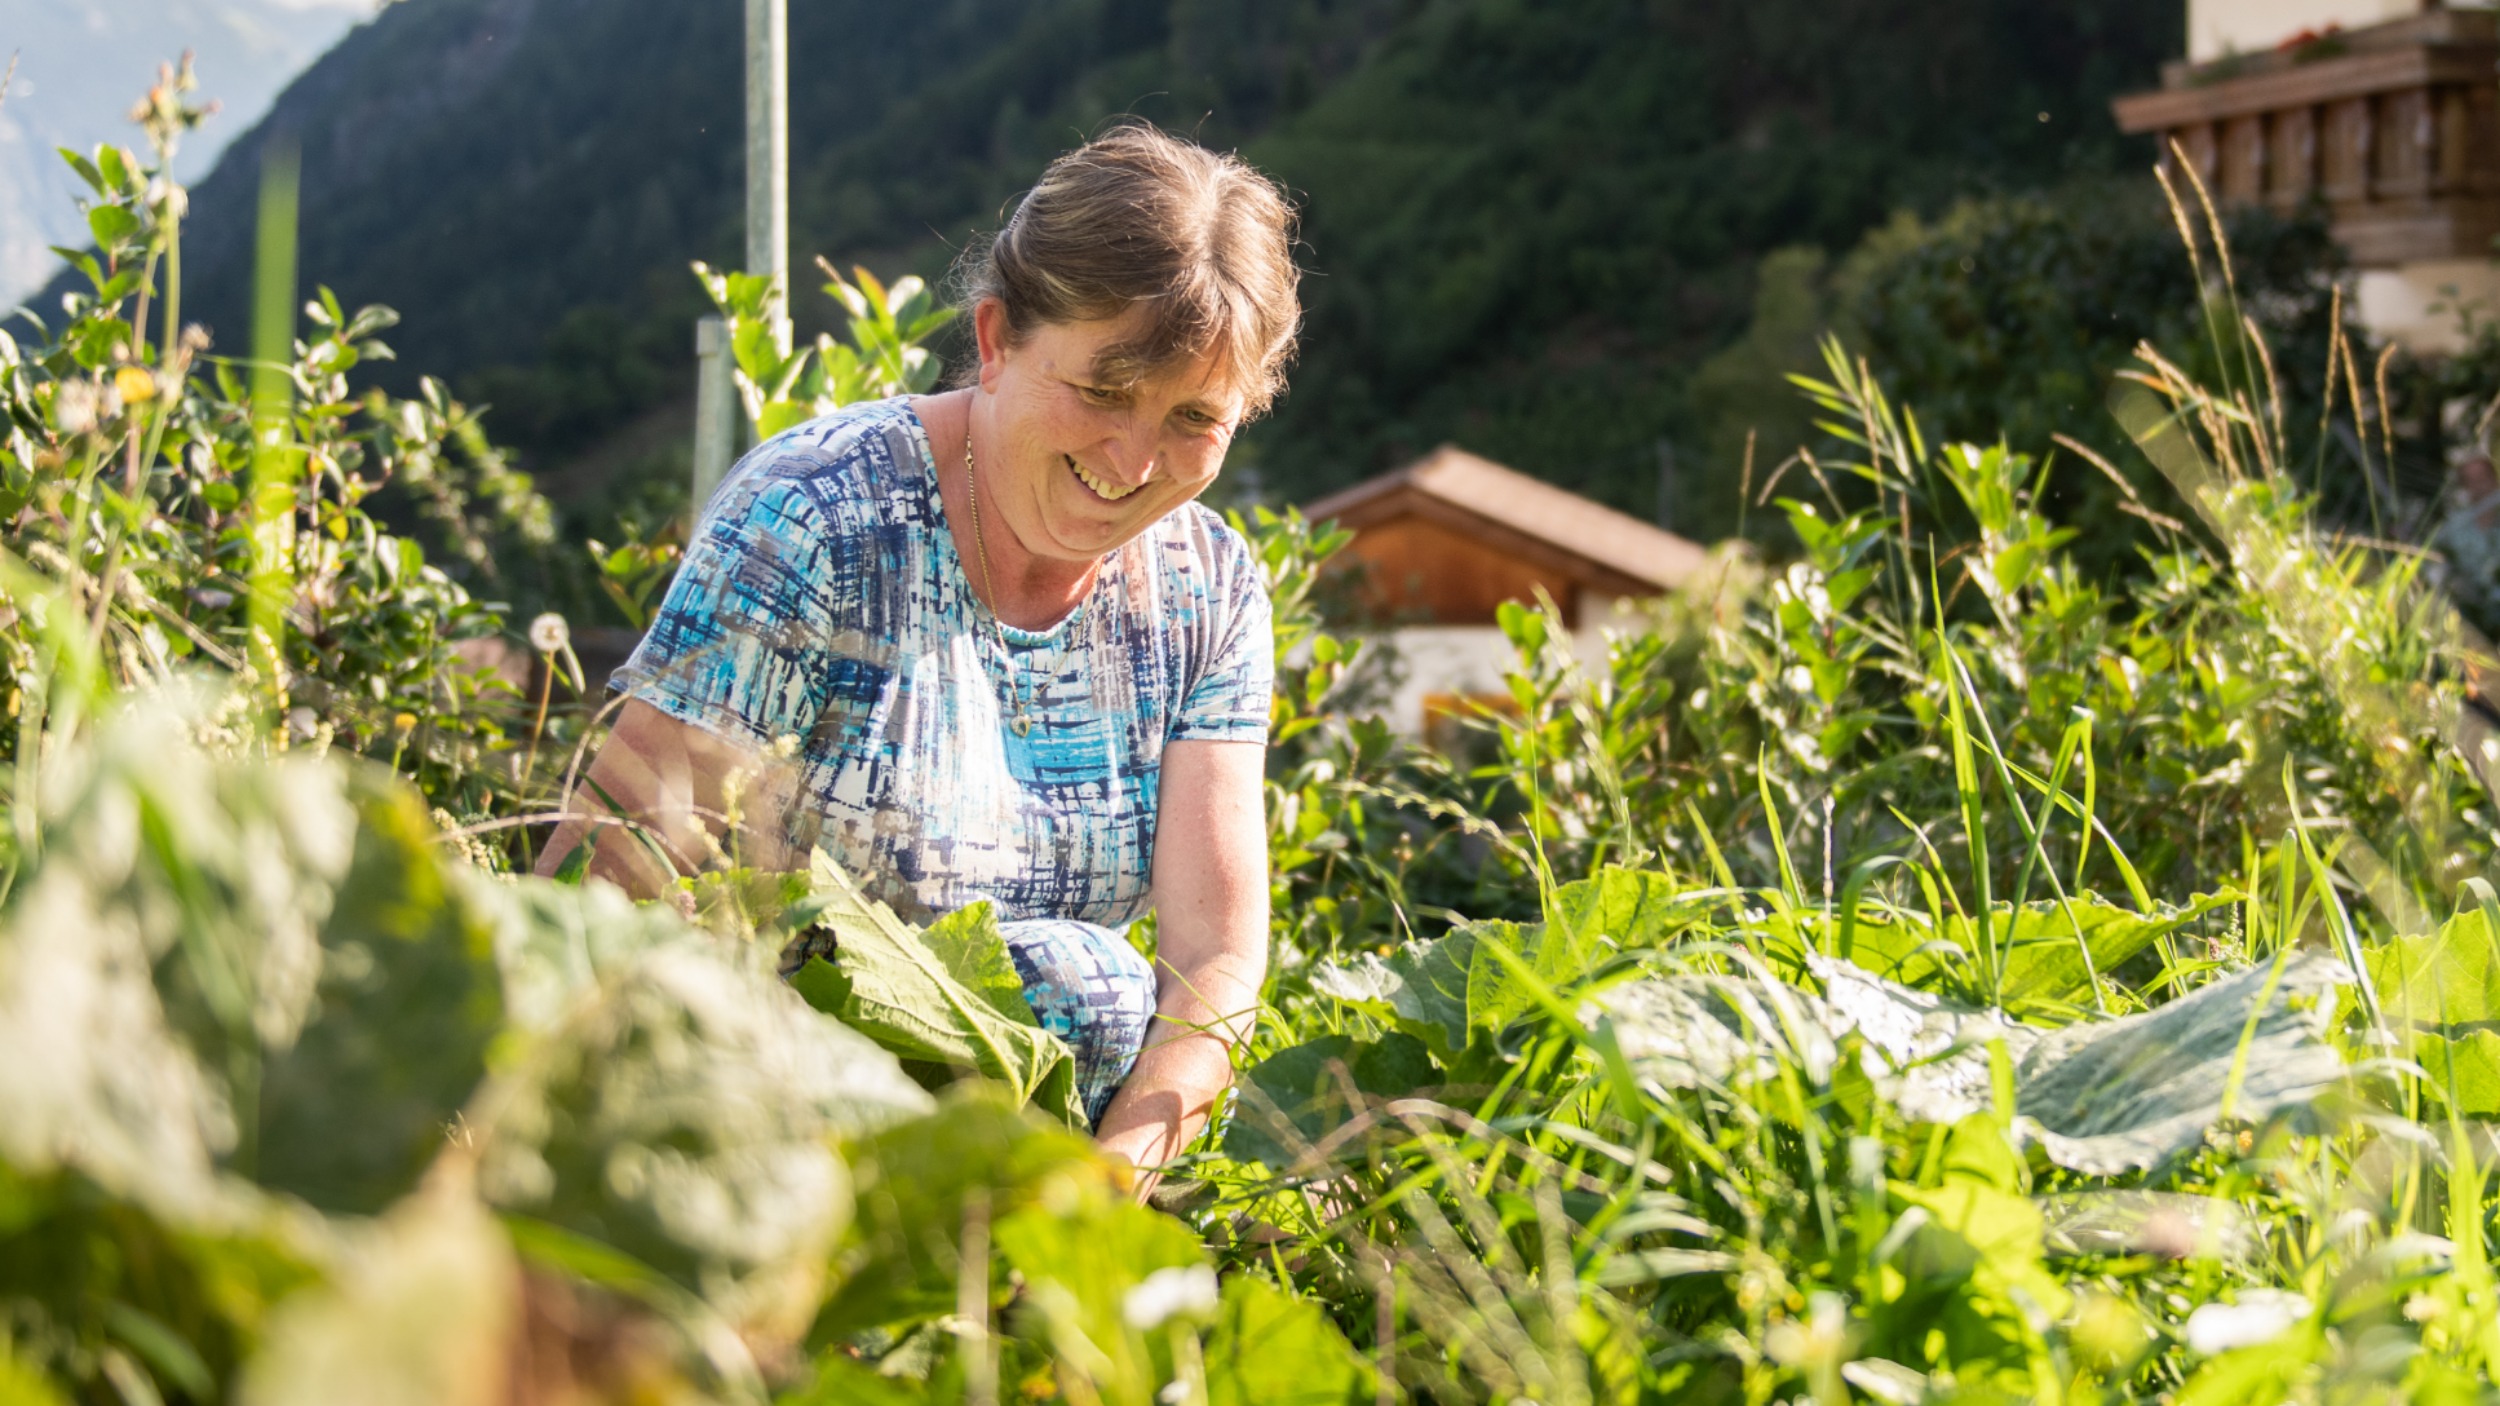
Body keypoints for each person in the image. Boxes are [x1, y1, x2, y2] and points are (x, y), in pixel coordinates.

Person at [535, 123, 1296, 1195]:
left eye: (1193, 418)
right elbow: (619, 865)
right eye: (1104, 389)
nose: (1133, 460)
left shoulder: (1206, 591)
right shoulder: (817, 516)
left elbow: (1212, 954)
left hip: (1043, 1162)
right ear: (995, 339)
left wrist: (1109, 1195)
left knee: (1110, 992)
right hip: (759, 1113)